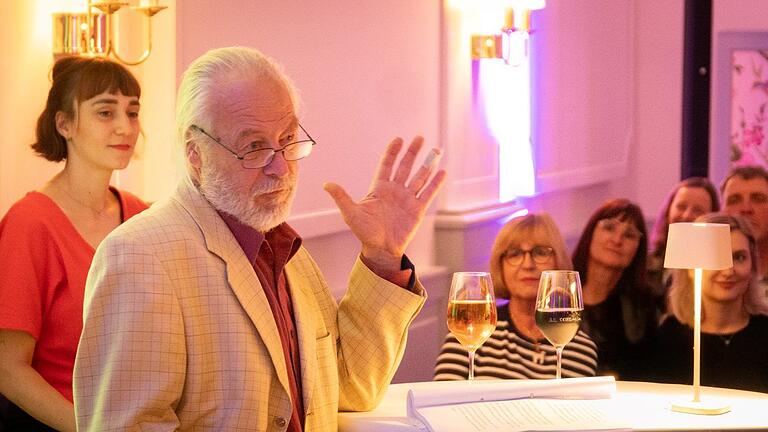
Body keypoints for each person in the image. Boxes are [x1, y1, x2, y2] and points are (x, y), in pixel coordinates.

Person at [72, 46, 447, 431]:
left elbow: (351, 388)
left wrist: (383, 256)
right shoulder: (141, 255)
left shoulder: (284, 249)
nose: (281, 167)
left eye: (287, 139)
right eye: (254, 147)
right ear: (196, 153)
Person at [0, 57, 148, 431]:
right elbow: (7, 368)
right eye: (105, 112)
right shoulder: (29, 223)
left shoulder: (141, 215)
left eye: (132, 113)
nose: (124, 127)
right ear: (64, 124)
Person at [434, 213, 598, 381]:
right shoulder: (472, 329)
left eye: (540, 252)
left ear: (558, 262)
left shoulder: (579, 346)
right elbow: (441, 399)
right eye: (515, 253)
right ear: (501, 266)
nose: (527, 264)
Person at [651, 213, 768, 392]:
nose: (728, 271)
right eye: (716, 257)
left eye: (739, 258)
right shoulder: (667, 337)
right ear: (690, 268)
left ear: (753, 267)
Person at [572, 198, 656, 380]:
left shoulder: (645, 304)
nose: (617, 240)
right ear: (590, 233)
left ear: (638, 248)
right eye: (609, 227)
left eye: (629, 235)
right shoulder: (559, 293)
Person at [647, 177, 720, 304]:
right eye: (681, 207)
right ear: (668, 210)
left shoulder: (721, 273)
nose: (686, 215)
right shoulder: (645, 265)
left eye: (698, 210)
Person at [721, 166, 768, 278]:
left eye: (758, 199)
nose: (746, 209)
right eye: (734, 200)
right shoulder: (703, 273)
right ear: (721, 210)